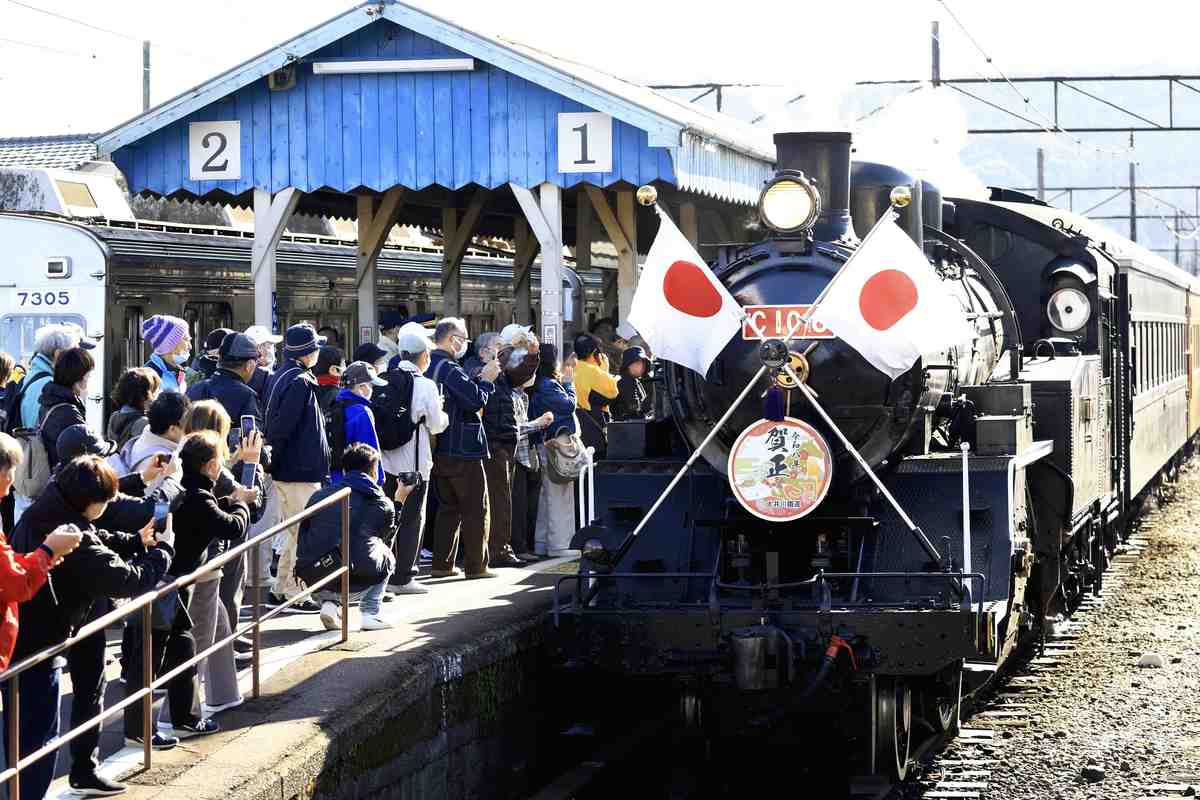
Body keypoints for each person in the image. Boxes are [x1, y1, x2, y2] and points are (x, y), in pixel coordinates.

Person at [9, 456, 174, 797]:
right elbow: (125, 580)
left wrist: (133, 543)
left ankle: (83, 769)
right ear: (89, 502)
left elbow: (95, 537)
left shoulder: (50, 505)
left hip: (40, 626)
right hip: (41, 640)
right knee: (37, 740)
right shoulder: (74, 534)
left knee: (25, 730)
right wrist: (163, 552)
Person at [158, 426, 254, 727]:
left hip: (175, 575)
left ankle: (220, 697)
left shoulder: (181, 489)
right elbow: (233, 528)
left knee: (209, 633)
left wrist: (228, 503)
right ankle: (178, 719)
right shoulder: (200, 497)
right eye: (220, 461)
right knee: (191, 646)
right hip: (186, 581)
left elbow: (213, 516)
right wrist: (241, 501)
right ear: (211, 466)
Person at [186, 332, 267, 652]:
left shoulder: (195, 389)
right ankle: (227, 638)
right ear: (248, 365)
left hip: (191, 488)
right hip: (229, 489)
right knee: (231, 567)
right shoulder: (245, 395)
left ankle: (195, 636)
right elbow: (255, 440)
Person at [297, 443, 410, 631]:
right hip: (352, 577)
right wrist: (399, 501)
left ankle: (330, 605)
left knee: (338, 547)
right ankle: (370, 613)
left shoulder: (320, 495)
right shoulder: (381, 502)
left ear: (344, 469)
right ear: (374, 471)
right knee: (386, 555)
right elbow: (387, 536)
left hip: (312, 576)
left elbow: (305, 532)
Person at [426, 318, 500, 579]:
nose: (465, 344)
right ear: (452, 339)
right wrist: (487, 380)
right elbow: (474, 400)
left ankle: (442, 564)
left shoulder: (428, 365)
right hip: (462, 447)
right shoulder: (450, 368)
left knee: (448, 507)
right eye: (463, 339)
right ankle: (477, 565)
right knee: (476, 508)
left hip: (436, 448)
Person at [264, 324, 329, 602]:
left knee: (293, 530)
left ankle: (282, 587)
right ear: (308, 352)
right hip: (297, 470)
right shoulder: (300, 381)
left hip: (288, 469)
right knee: (300, 532)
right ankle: (295, 591)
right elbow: (284, 427)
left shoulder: (283, 375)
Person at [381, 331, 447, 594]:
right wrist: (443, 414)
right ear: (425, 356)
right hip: (415, 465)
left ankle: (380, 575)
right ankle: (403, 577)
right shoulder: (426, 385)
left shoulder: (385, 379)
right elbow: (436, 425)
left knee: (386, 518)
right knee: (411, 520)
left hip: (385, 463)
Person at [482, 340, 550, 568]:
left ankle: (500, 548)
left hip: (504, 444)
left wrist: (533, 354)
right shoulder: (485, 377)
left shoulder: (505, 381)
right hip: (495, 445)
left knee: (503, 501)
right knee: (498, 502)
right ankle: (497, 550)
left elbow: (523, 373)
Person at [530, 344, 579, 557]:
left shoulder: (539, 383)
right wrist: (569, 385)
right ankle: (560, 545)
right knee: (560, 494)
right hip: (557, 443)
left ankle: (543, 542)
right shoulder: (549, 384)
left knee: (547, 494)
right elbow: (568, 406)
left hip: (545, 442)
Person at [329, 361, 387, 484]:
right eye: (371, 385)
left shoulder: (333, 405)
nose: (372, 390)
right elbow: (371, 449)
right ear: (361, 387)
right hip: (356, 482)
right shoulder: (362, 412)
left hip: (332, 478)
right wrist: (379, 481)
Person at [38, 346, 94, 471]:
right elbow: (89, 450)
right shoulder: (68, 412)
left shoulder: (49, 400)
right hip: (65, 479)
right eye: (88, 377)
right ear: (80, 378)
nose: (88, 383)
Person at [571, 333, 619, 458]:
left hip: (576, 426)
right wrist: (604, 370)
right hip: (593, 430)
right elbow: (612, 393)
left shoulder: (572, 368)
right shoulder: (593, 371)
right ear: (594, 352)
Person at [108, 367, 163, 449]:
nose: (157, 396)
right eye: (155, 391)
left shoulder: (115, 416)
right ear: (144, 396)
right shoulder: (143, 423)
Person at [140, 315, 193, 394]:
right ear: (170, 345)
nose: (190, 346)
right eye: (186, 339)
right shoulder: (149, 378)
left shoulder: (177, 372)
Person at [243, 325, 283, 405]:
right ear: (260, 348)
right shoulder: (266, 376)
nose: (274, 350)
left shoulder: (240, 372)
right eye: (270, 346)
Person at [613, 346, 653, 421]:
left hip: (631, 426)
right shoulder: (626, 382)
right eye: (638, 363)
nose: (642, 366)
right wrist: (651, 396)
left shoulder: (635, 380)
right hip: (626, 428)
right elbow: (634, 409)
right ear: (628, 366)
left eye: (643, 363)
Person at [313, 345, 345, 416]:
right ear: (334, 370)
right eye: (343, 364)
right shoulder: (340, 397)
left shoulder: (308, 391)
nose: (345, 368)